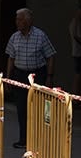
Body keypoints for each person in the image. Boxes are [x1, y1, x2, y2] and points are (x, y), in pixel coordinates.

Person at [5, 8, 56, 149]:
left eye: (20, 19)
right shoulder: (14, 37)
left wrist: (49, 77)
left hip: (38, 75)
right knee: (21, 109)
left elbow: (50, 56)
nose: (18, 22)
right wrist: (9, 78)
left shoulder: (40, 36)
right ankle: (24, 139)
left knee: (40, 109)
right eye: (16, 19)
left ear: (28, 21)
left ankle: (42, 141)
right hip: (20, 75)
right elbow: (11, 58)